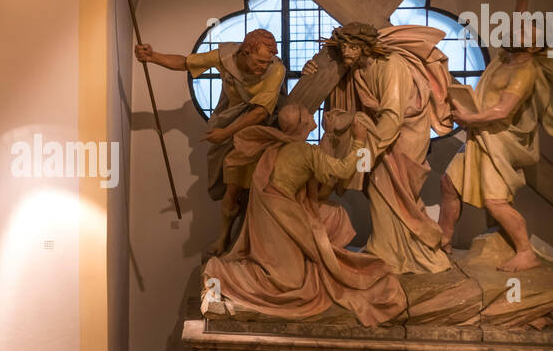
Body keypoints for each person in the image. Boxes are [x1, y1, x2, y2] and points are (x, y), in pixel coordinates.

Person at [439, 0, 553, 271]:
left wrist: (469, 118)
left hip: (499, 141)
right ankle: (443, 242)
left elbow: (502, 110)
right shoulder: (506, 58)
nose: (519, 34)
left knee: (496, 202)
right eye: (519, 32)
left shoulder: (525, 72)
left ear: (534, 48)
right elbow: (519, 21)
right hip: (481, 136)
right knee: (449, 184)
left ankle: (525, 251)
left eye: (526, 36)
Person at [204, 105, 407, 326]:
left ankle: (317, 253)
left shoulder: (279, 147)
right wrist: (359, 141)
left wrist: (329, 135)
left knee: (336, 214)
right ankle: (218, 274)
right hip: (280, 215)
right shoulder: (305, 152)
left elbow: (317, 181)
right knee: (291, 284)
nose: (313, 114)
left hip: (276, 210)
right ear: (302, 123)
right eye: (308, 113)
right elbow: (344, 170)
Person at [303, 22, 453, 274]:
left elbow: (393, 116)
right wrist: (311, 69)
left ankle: (413, 250)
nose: (347, 52)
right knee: (379, 189)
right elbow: (337, 85)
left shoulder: (390, 65)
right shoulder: (359, 68)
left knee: (396, 191)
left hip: (403, 136)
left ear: (365, 47)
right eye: (344, 47)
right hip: (381, 134)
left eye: (353, 47)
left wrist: (365, 152)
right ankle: (388, 249)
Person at [136, 29, 286, 254]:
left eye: (267, 62)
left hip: (262, 130)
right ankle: (227, 240)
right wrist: (152, 56)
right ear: (245, 52)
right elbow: (186, 63)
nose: (264, 67)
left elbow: (260, 113)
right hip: (230, 121)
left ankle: (251, 244)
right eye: (260, 61)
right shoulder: (225, 57)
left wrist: (225, 134)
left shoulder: (276, 69)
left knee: (251, 187)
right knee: (229, 188)